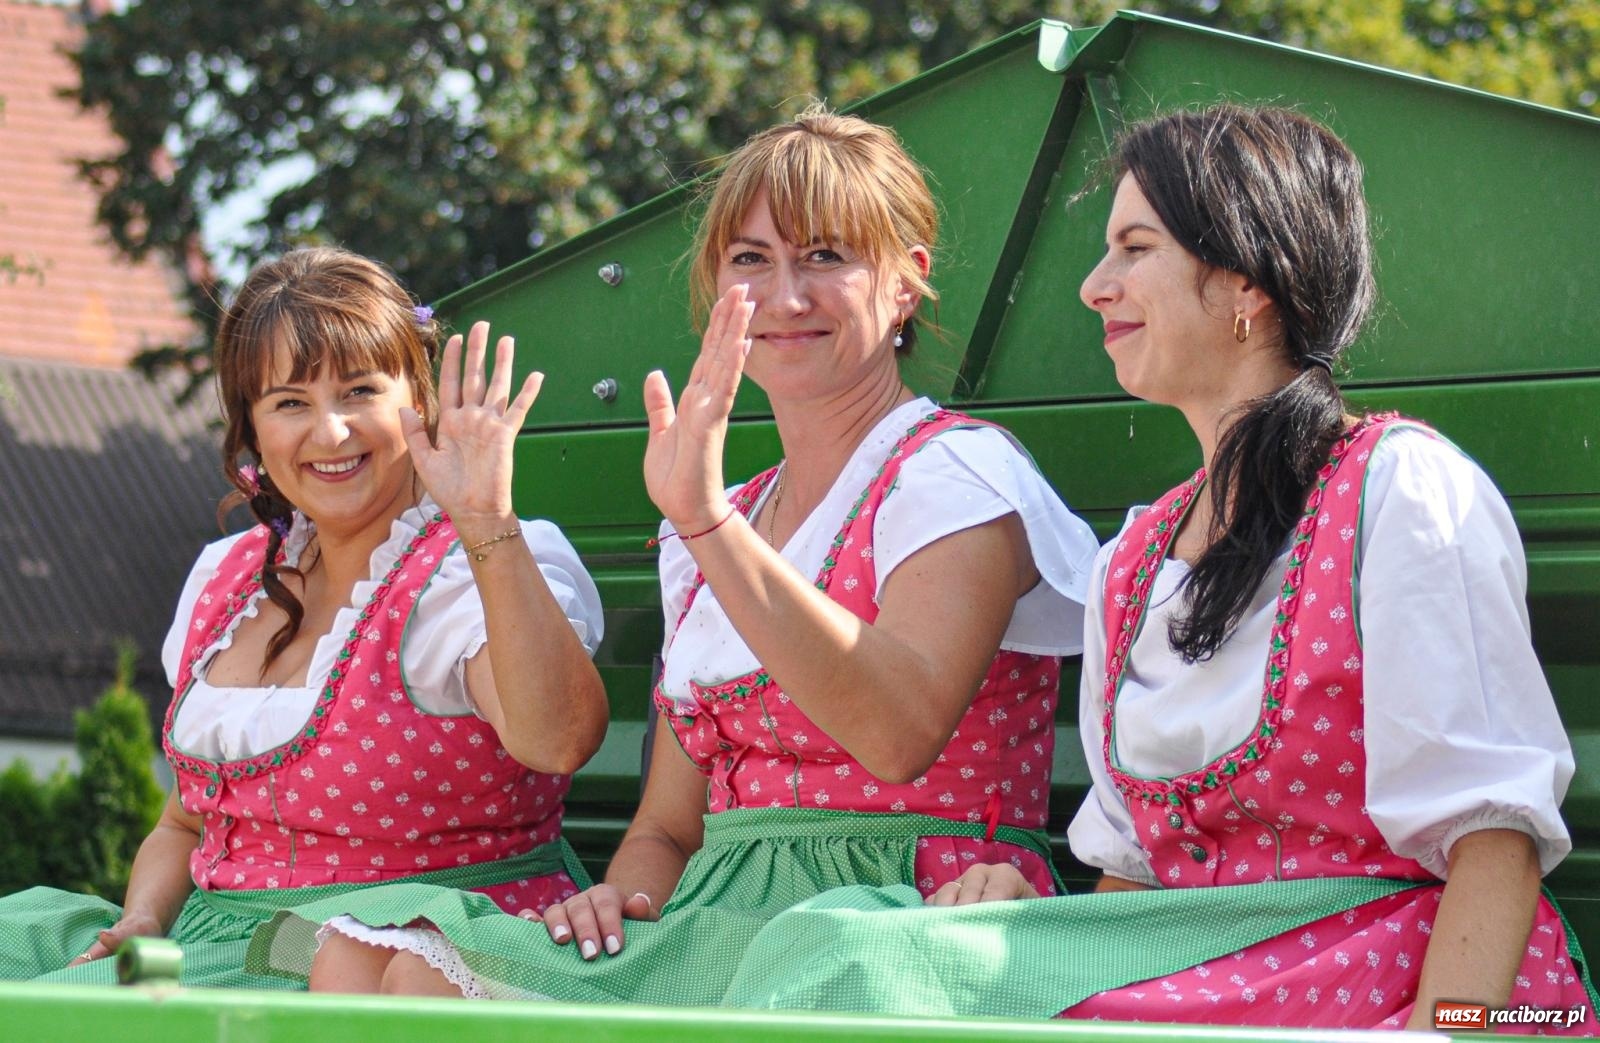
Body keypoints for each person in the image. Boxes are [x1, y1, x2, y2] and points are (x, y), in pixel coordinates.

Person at [710, 105, 1597, 1029]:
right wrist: (1025, 938)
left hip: (1385, 982)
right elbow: (1132, 880)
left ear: (1247, 279)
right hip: (1197, 981)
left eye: (1135, 248)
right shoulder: (1133, 560)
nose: (1096, 286)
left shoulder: (1399, 489)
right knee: (845, 953)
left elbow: (1493, 835)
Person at [246, 104, 1100, 1001]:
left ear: (905, 282)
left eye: (826, 255)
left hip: (901, 916)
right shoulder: (720, 520)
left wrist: (704, 521)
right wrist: (621, 897)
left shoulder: (954, 474)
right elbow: (667, 825)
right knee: (387, 961)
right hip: (714, 919)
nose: (787, 296)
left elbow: (898, 735)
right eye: (751, 260)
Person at [0, 247, 608, 988]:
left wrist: (487, 521)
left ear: (416, 398)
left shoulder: (470, 569)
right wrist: (143, 920)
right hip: (226, 943)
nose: (330, 432)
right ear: (253, 429)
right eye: (290, 402)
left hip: (415, 950)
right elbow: (185, 823)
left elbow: (558, 740)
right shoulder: (225, 578)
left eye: (359, 391)